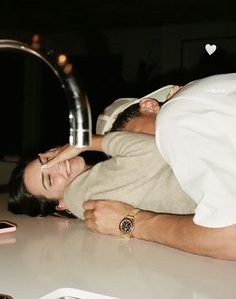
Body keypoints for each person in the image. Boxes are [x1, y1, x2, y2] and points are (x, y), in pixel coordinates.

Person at [41, 74, 236, 261]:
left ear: (150, 106)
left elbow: (230, 238)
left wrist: (132, 222)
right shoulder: (200, 108)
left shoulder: (172, 120)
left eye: (133, 140)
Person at [8, 131, 196, 219]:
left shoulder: (95, 185)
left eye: (47, 161)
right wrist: (85, 142)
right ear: (61, 204)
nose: (56, 164)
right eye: (49, 179)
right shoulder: (80, 194)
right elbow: (154, 151)